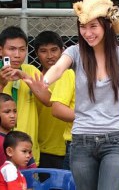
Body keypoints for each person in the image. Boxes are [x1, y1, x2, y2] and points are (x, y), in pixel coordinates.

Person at [43, 0, 119, 190]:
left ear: (106, 26)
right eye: (82, 26)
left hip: (116, 139)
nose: (87, 33)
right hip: (81, 141)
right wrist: (44, 81)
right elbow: (57, 68)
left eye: (93, 26)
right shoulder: (75, 52)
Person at [0, 26, 51, 165]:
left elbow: (48, 101)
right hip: (2, 152)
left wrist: (26, 78)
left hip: (28, 154)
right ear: (1, 50)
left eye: (22, 49)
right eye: (12, 49)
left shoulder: (30, 70)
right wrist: (2, 84)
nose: (17, 54)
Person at [34, 31, 67, 169]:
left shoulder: (71, 77)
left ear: (63, 51)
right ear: (36, 54)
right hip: (40, 150)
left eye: (54, 50)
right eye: (43, 51)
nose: (49, 56)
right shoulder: (33, 79)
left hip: (69, 148)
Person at [0, 92, 36, 169]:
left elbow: (32, 168)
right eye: (7, 112)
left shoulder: (20, 138)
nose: (13, 116)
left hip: (23, 180)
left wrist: (35, 180)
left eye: (15, 111)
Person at [50, 68, 75, 170]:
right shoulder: (71, 73)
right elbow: (57, 109)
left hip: (115, 141)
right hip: (79, 141)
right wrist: (95, 117)